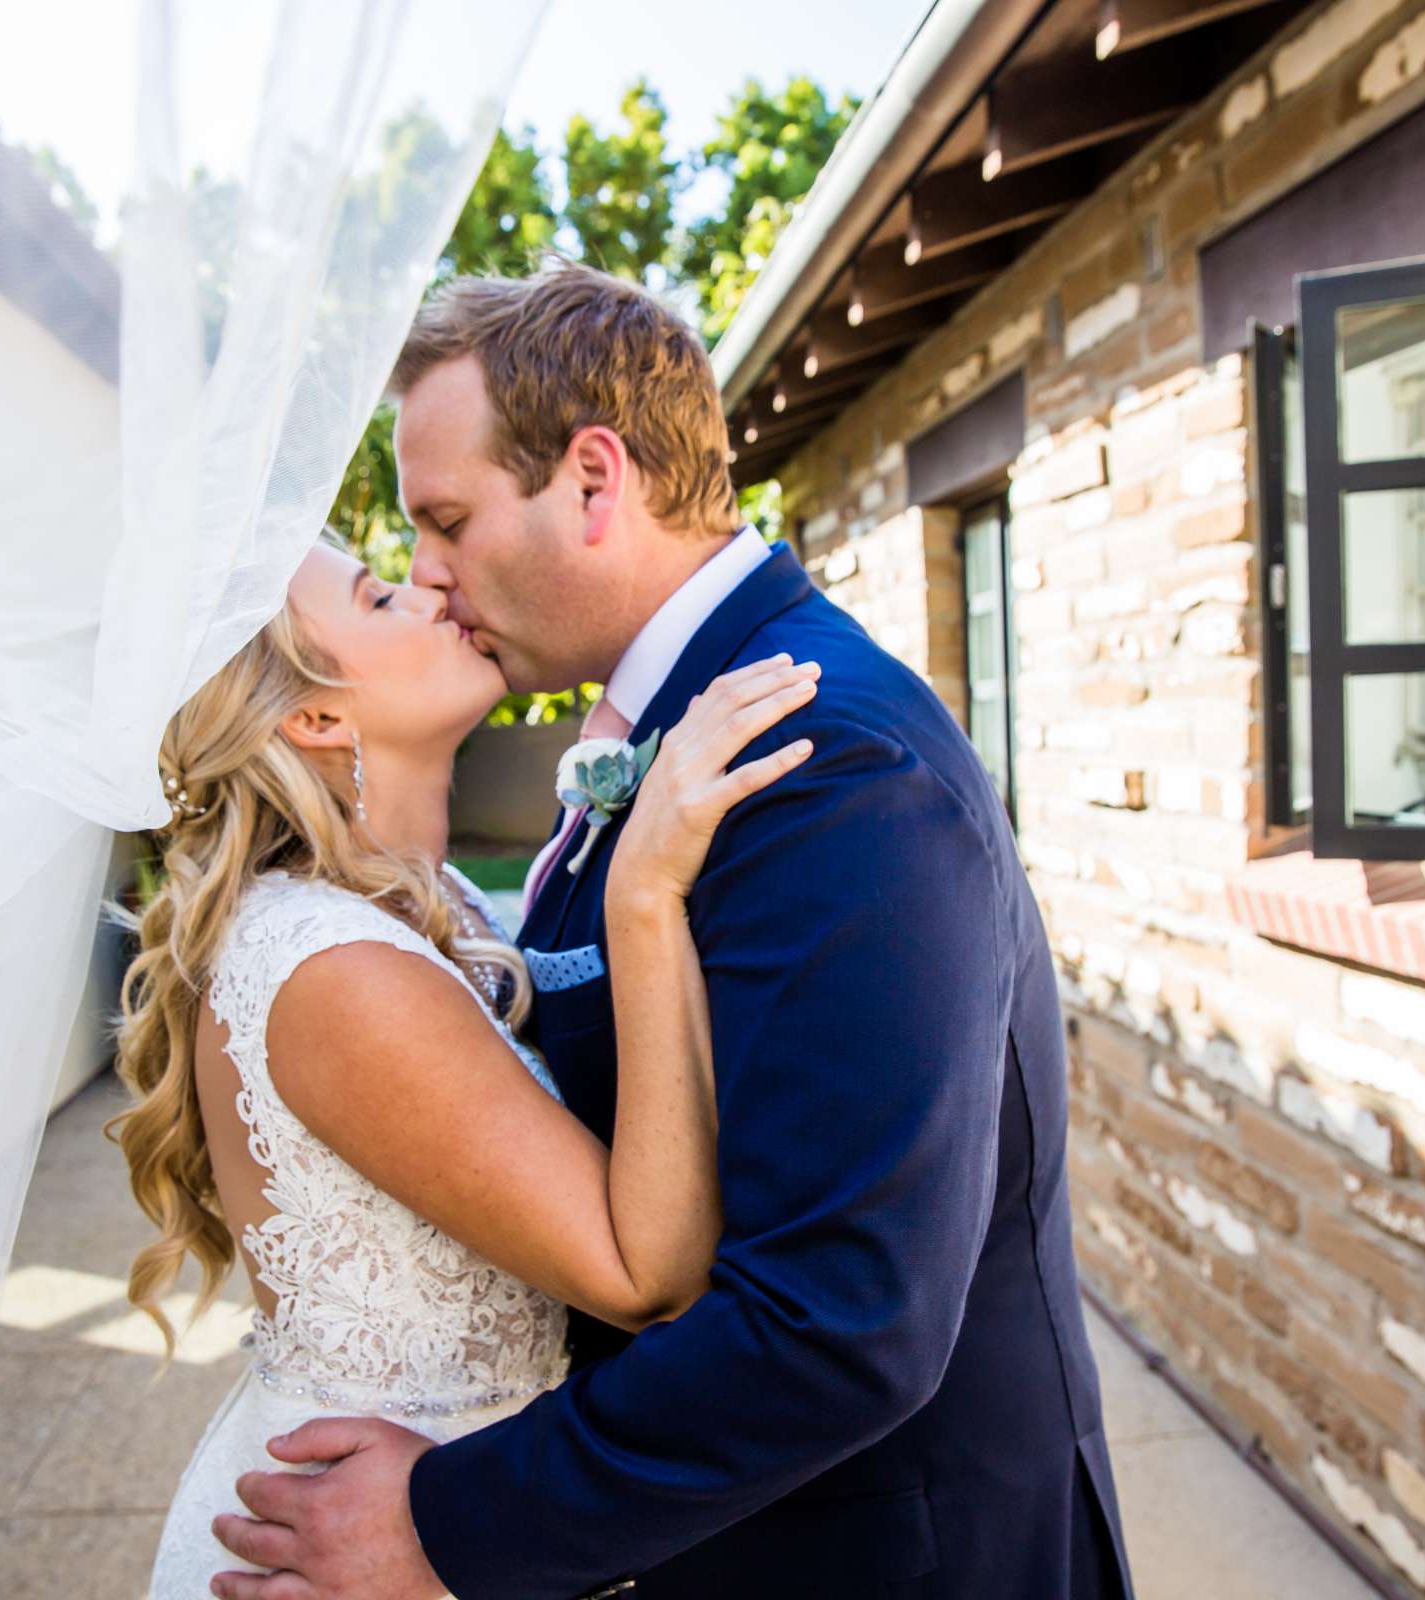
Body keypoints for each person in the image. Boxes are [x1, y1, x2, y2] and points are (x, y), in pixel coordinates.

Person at [209, 262, 1133, 1599]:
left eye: (449, 520)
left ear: (595, 480)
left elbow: (839, 1321)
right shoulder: (665, 735)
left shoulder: (827, 763)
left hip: (889, 1558)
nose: (427, 573)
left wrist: (453, 1523)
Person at [117, 531, 822, 1597]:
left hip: (456, 1518)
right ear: (316, 715)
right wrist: (641, 897)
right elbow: (647, 1274)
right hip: (360, 1540)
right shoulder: (334, 967)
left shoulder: (437, 907)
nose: (429, 585)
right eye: (379, 596)